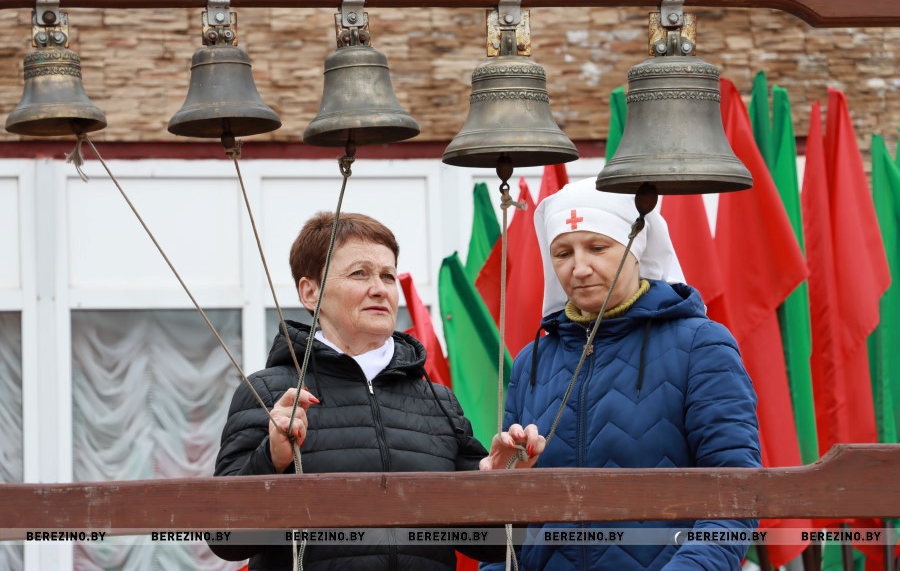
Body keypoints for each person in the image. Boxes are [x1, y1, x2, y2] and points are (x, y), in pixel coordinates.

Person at [480, 178, 762, 570]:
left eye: (598, 247)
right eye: (563, 253)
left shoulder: (701, 345)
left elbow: (735, 492)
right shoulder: (533, 361)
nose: (579, 268)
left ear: (635, 247)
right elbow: (507, 528)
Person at [210, 212, 505, 570]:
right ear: (310, 292)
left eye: (388, 275)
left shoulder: (438, 401)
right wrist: (270, 460)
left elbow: (493, 545)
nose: (380, 288)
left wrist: (504, 481)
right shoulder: (268, 392)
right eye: (359, 273)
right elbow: (226, 538)